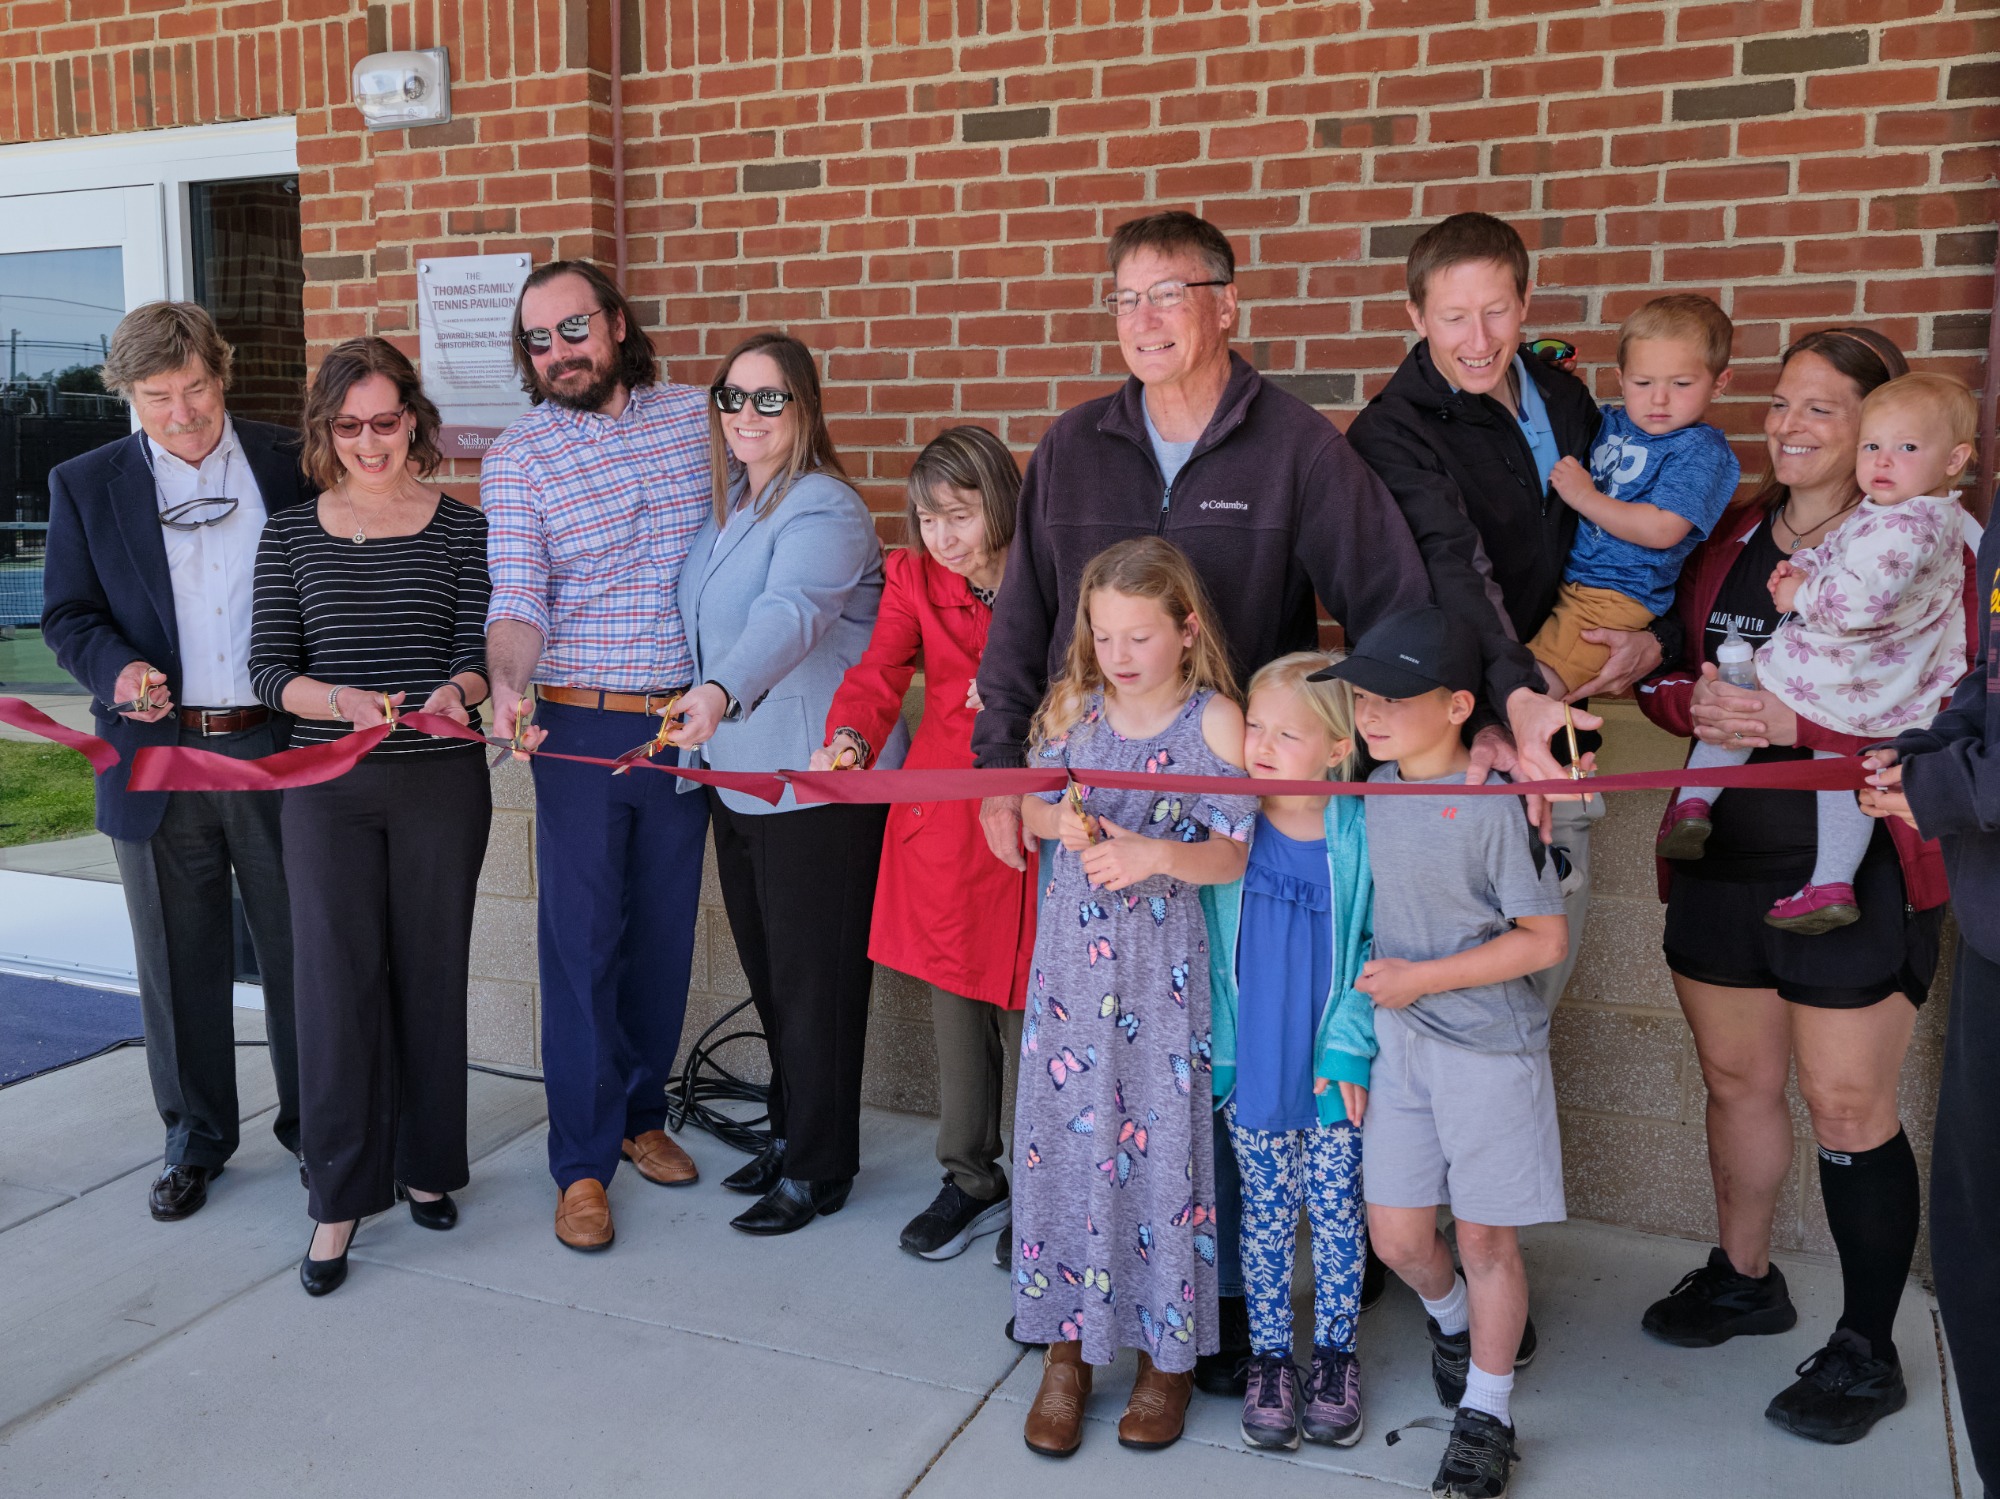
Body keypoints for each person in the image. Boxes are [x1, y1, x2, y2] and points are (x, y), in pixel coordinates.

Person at [974, 209, 1433, 1390]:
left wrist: (1418, 745)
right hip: (1093, 824)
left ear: (1226, 303)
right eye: (1123, 298)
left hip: (1240, 820)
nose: (1143, 319)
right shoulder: (1072, 446)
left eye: (1167, 293)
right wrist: (1002, 774)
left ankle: (1211, 1307)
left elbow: (1388, 596)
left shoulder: (1295, 447)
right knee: (1092, 1071)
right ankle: (1078, 1294)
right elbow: (1023, 620)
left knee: (1217, 1056)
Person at [1634, 328, 1976, 1445]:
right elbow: (1674, 669)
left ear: (1881, 430)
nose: (1789, 426)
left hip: (1855, 860)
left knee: (1845, 1105)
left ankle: (1866, 1347)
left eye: (1823, 409)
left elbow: (1952, 704)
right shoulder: (1732, 533)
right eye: (1781, 403)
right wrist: (1684, 701)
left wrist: (1800, 724)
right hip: (1720, 854)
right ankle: (1743, 1278)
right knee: (1736, 1078)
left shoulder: (1931, 544)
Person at [1346, 211, 1658, 1011]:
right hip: (1462, 737)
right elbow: (1453, 565)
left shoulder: (1563, 395)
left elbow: (1631, 536)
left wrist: (1657, 637)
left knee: (1540, 983)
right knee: (1451, 997)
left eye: (1496, 311)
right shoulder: (1391, 432)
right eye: (1454, 316)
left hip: (1559, 719)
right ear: (1416, 315)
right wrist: (1507, 699)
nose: (1478, 338)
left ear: (1526, 300)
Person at [41, 301, 310, 1222]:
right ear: (127, 394)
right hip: (155, 757)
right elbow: (68, 615)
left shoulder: (290, 459)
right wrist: (118, 673)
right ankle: (195, 1140)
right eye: (158, 396)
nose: (183, 412)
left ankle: (318, 1130)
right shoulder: (85, 483)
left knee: (302, 951)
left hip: (277, 746)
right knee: (175, 958)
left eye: (195, 387)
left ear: (220, 373)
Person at [249, 337, 492, 1296]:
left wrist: (457, 690)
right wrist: (340, 701)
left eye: (385, 420)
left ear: (414, 422)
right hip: (327, 786)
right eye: (348, 425)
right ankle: (338, 1195)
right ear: (326, 430)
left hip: (438, 782)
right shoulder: (289, 533)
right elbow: (270, 670)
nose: (368, 440)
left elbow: (477, 651)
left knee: (432, 973)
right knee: (334, 987)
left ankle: (428, 1162)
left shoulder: (461, 527)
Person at [482, 260, 711, 1253]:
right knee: (579, 943)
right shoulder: (518, 455)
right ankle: (579, 1161)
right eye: (537, 340)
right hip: (577, 727)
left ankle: (639, 1114)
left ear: (616, 323)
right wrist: (507, 682)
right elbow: (517, 593)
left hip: (684, 726)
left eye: (572, 329)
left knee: (662, 933)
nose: (558, 353)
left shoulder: (698, 417)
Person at [1012, 537, 1256, 1459]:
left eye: (1139, 636)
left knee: (1160, 1154)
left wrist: (1155, 851)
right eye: (1104, 634)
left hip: (1160, 971)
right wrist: (1061, 818)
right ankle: (1065, 1349)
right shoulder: (1076, 707)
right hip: (1071, 968)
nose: (1117, 654)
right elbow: (1030, 804)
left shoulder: (1215, 721)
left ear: (1187, 630)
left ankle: (1166, 1357)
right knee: (1062, 1142)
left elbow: (1233, 851)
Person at [1326, 606, 1569, 1499]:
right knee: (1396, 1235)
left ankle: (1487, 1412)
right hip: (1401, 1045)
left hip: (1488, 1050)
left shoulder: (1495, 803)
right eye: (1363, 696)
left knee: (1484, 1236)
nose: (1371, 712)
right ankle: (1457, 1321)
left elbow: (1543, 940)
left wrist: (1421, 979)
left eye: (1394, 697)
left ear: (1460, 705)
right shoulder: (1371, 786)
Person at [668, 331, 900, 1238]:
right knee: (772, 977)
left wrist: (719, 691)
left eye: (769, 397)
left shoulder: (825, 507)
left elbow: (790, 615)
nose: (747, 414)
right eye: (733, 396)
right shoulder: (733, 508)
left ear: (804, 406)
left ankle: (819, 1165)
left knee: (816, 983)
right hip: (737, 779)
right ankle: (790, 1129)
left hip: (816, 785)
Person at [808, 426, 1036, 1260]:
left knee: (1039, 1006)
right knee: (957, 996)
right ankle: (970, 1177)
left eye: (959, 515)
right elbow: (878, 673)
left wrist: (1020, 690)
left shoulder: (1050, 567)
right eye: (928, 518)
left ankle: (1044, 1185)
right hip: (947, 816)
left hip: (1037, 809)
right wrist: (850, 740)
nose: (942, 536)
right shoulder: (912, 577)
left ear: (999, 504)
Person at [1662, 372, 1973, 935]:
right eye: (1873, 446)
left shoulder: (1909, 525)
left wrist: (1799, 593)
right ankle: (1830, 882)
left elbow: (1859, 601)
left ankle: (1692, 803)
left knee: (1743, 693)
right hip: (1877, 689)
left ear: (1954, 460)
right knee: (1841, 769)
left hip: (1846, 669)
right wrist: (1806, 565)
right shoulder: (1903, 514)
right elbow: (1844, 549)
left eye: (1907, 447)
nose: (1883, 460)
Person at [1861, 469, 2000, 1499]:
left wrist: (1944, 785)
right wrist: (1924, 753)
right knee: (1975, 1235)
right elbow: (1984, 678)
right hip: (1992, 933)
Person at [1207, 651, 1374, 1452]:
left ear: (1338, 747)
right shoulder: (1228, 828)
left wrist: (1350, 1049)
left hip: (1331, 1069)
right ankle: (1272, 1360)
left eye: (1288, 734)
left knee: (1337, 1214)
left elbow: (1377, 946)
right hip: (1258, 1066)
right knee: (1266, 1217)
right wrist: (1222, 1053)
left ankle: (1336, 1358)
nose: (1263, 746)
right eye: (1255, 727)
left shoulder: (1360, 833)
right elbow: (1211, 951)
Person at [1527, 294, 1741, 698]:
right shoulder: (1613, 421)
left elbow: (1663, 529)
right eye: (1643, 383)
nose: (1659, 399)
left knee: (1536, 686)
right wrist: (1554, 380)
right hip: (1567, 580)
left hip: (1614, 597)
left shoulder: (1699, 450)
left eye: (1681, 384)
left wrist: (1585, 497)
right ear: (1621, 378)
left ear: (1719, 383)